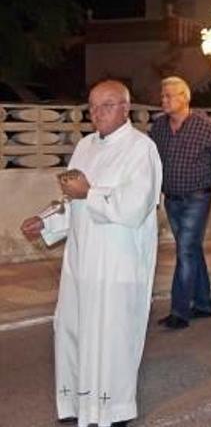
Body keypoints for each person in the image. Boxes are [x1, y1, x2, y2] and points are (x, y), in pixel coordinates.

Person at [20, 80, 162, 427]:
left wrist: (90, 192)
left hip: (117, 260)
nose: (97, 114)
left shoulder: (141, 149)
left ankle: (113, 411)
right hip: (81, 259)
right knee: (72, 328)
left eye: (107, 106)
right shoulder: (84, 146)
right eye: (93, 107)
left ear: (125, 108)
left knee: (112, 334)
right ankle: (79, 406)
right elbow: (72, 201)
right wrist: (45, 220)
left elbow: (135, 206)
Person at [149, 76, 211, 329]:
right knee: (192, 249)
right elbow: (148, 161)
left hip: (197, 197)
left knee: (186, 251)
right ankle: (202, 302)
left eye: (169, 95)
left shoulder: (204, 127)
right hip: (172, 198)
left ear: (184, 98)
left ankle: (180, 311)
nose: (163, 100)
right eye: (163, 95)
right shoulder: (158, 128)